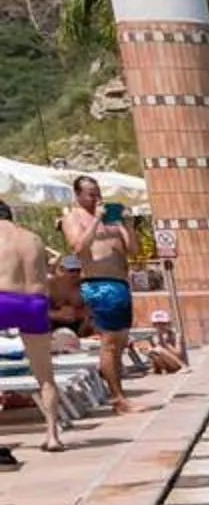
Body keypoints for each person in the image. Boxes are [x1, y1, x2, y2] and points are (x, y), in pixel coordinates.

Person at [60, 179, 133, 408]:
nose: (96, 198)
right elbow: (78, 247)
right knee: (109, 344)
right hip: (99, 284)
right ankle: (118, 399)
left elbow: (133, 250)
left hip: (120, 284)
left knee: (120, 343)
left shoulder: (112, 220)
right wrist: (96, 220)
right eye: (90, 194)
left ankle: (119, 394)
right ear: (78, 196)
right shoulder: (73, 218)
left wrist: (128, 225)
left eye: (98, 192)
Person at [0, 203, 63, 450]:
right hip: (35, 303)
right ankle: (53, 435)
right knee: (45, 375)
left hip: (4, 299)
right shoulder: (33, 239)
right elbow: (44, 272)